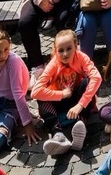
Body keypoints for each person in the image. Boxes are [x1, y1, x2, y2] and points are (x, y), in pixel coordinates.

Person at [30, 28, 102, 156]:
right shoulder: (54, 63)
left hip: (77, 101)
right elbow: (35, 92)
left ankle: (78, 125)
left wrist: (80, 105)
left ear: (76, 46)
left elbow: (97, 77)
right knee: (41, 99)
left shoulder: (81, 57)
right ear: (55, 51)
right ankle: (59, 133)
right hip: (61, 101)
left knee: (86, 82)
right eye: (61, 50)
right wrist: (61, 94)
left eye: (69, 49)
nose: (65, 54)